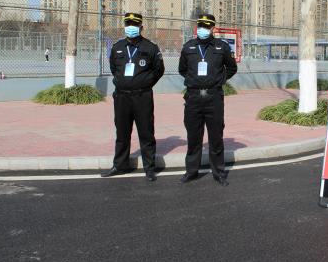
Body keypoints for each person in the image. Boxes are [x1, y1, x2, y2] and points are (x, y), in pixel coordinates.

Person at [101, 12, 165, 182]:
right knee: (122, 132)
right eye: (128, 24)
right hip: (122, 97)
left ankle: (149, 168)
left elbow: (159, 70)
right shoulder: (117, 47)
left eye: (134, 25)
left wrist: (145, 82)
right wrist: (123, 82)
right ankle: (120, 165)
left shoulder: (150, 47)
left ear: (141, 27)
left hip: (142, 96)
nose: (131, 27)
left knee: (146, 133)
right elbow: (114, 68)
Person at [178, 14, 237, 186]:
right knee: (193, 136)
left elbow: (232, 67)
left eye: (206, 26)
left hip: (214, 97)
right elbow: (182, 69)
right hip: (193, 97)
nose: (203, 29)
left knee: (216, 136)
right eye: (200, 26)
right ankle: (191, 172)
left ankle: (219, 173)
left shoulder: (221, 47)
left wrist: (219, 79)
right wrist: (195, 80)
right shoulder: (188, 47)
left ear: (212, 28)